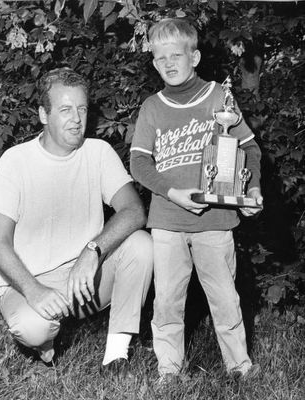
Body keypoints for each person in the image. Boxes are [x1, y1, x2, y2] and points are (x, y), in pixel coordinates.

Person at [0, 67, 153, 376]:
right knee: (33, 328)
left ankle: (116, 353)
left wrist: (93, 251)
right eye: (65, 110)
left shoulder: (98, 152)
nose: (77, 118)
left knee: (141, 244)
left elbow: (134, 211)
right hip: (31, 279)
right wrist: (34, 290)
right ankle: (47, 339)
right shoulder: (15, 161)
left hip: (84, 277)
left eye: (82, 109)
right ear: (43, 115)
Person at [130, 19, 263, 382]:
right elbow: (139, 162)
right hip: (167, 222)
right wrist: (171, 192)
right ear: (154, 62)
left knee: (224, 297)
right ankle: (169, 371)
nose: (169, 63)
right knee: (167, 300)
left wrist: (250, 190)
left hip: (216, 221)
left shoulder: (220, 97)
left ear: (195, 56)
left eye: (177, 55)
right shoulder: (151, 107)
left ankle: (240, 366)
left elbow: (248, 149)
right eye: (160, 58)